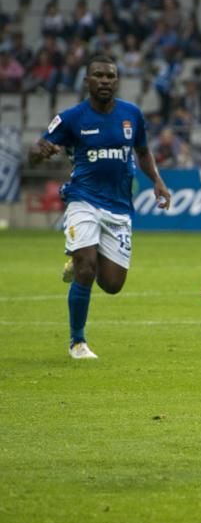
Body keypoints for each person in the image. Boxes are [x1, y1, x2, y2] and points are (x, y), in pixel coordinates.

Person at [28, 54, 172, 359]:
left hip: (119, 208)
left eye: (110, 76)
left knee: (112, 283)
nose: (105, 81)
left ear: (117, 80)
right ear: (87, 80)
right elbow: (34, 153)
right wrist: (40, 153)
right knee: (87, 268)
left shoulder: (132, 115)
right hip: (83, 199)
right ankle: (77, 342)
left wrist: (157, 181)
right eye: (98, 75)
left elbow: (143, 152)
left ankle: (78, 259)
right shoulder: (71, 118)